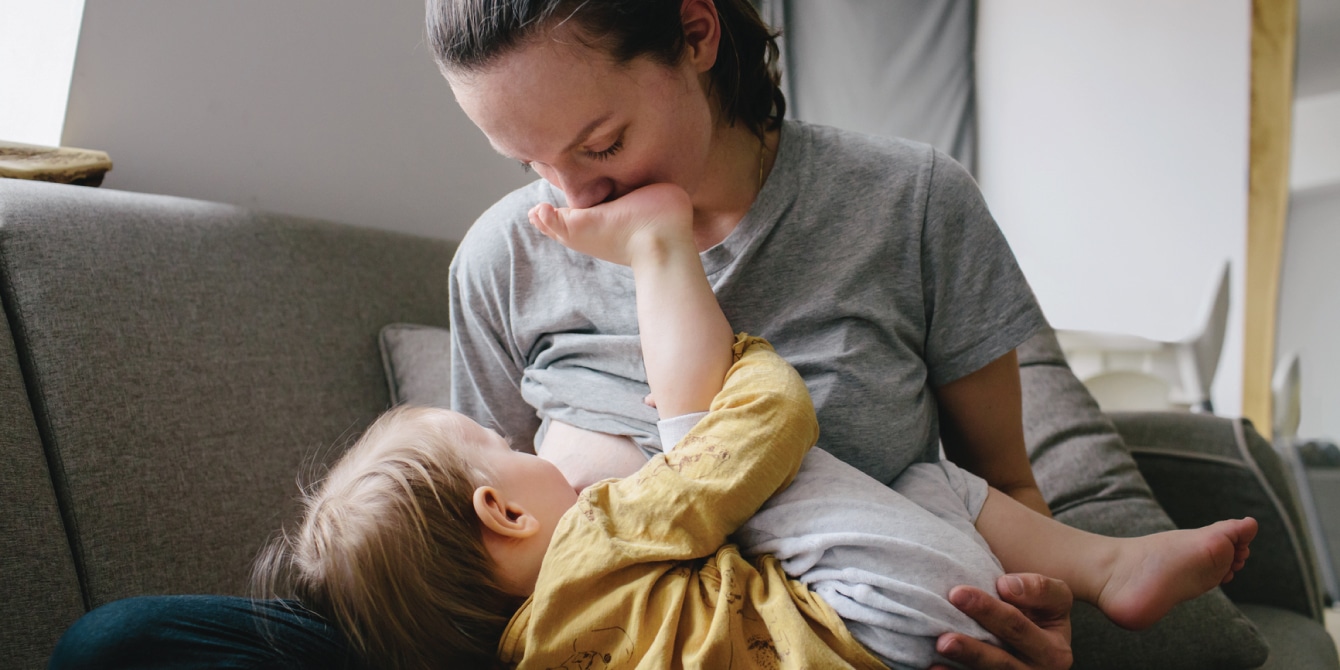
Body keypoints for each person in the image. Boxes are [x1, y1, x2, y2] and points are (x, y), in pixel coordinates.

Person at [40, 1, 1131, 668]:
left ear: (695, 32)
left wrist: (1031, 622)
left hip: (833, 636)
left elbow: (1005, 491)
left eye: (598, 138)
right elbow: (474, 550)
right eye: (525, 163)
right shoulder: (501, 256)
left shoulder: (909, 203)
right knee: (118, 648)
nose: (563, 194)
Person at [254, 182, 1254, 670]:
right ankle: (658, 252)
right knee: (720, 449)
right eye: (509, 449)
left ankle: (1105, 566)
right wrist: (739, 375)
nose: (525, 445)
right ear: (502, 511)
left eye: (596, 144)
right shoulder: (600, 535)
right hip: (887, 613)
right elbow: (764, 433)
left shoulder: (537, 651)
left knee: (924, 480)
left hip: (910, 623)